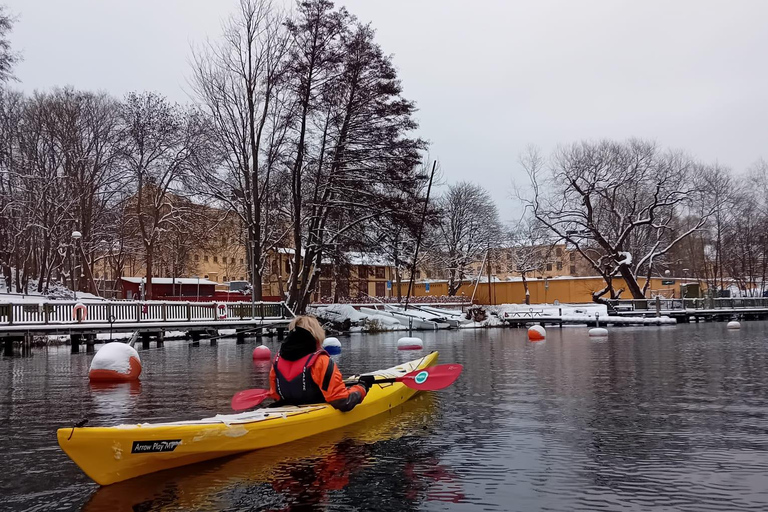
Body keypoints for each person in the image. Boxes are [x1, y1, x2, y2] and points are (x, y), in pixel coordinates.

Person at [268, 316, 370, 411]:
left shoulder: (278, 359)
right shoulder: (320, 360)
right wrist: (361, 388)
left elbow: (275, 395)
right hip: (314, 409)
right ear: (316, 333)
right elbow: (341, 401)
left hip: (287, 409)